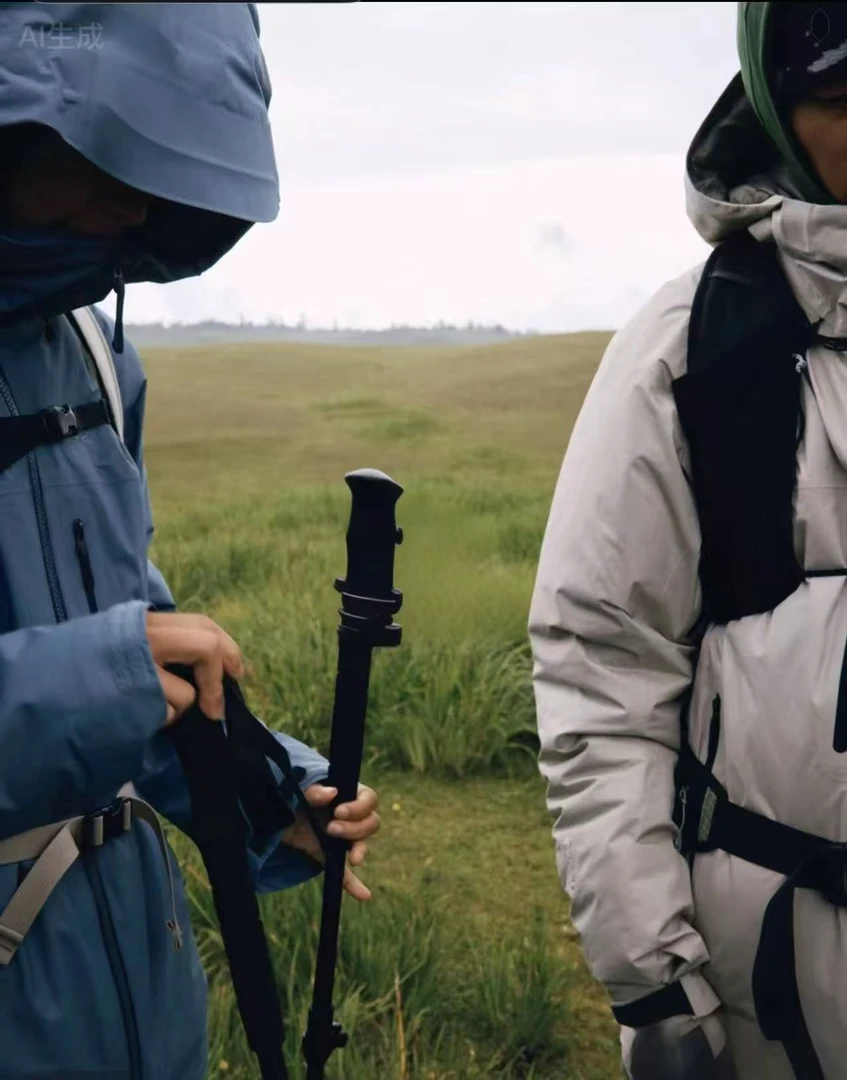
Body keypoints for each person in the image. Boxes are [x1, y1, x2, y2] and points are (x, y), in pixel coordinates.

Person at [0, 4, 380, 1078]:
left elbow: (137, 647)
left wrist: (265, 797)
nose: (135, 202)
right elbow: (112, 670)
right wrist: (100, 678)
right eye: (110, 144)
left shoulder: (92, 353)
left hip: (144, 1002)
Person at [529, 3, 847, 1079]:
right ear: (776, 103)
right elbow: (602, 671)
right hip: (779, 988)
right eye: (842, 99)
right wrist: (655, 989)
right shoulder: (689, 350)